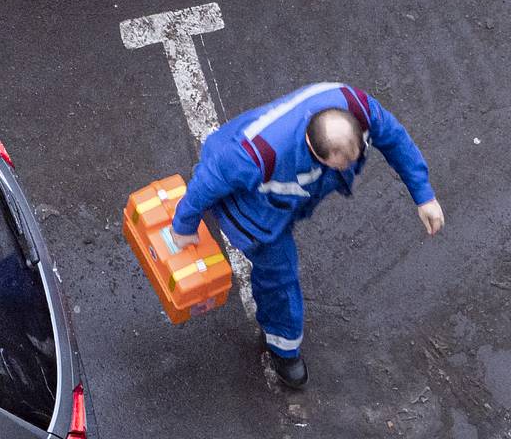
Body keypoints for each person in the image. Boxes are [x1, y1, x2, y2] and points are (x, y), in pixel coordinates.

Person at [169, 81, 444, 390]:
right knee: (279, 276)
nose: (349, 168)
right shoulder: (252, 156)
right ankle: (283, 348)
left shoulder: (361, 109)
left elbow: (394, 139)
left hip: (283, 196)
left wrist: (424, 196)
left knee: (273, 262)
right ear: (316, 153)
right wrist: (183, 227)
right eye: (341, 165)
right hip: (256, 211)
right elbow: (210, 179)